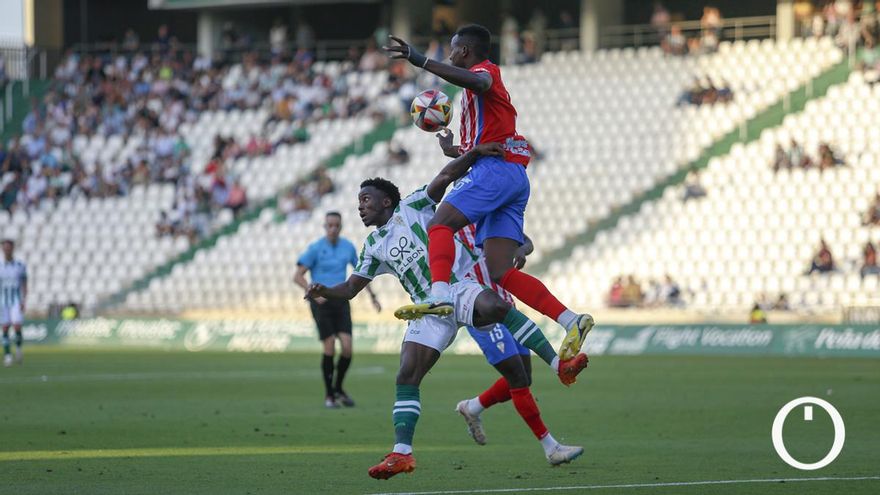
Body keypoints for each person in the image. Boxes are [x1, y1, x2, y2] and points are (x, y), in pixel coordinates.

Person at [305, 144, 588, 479]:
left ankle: (559, 365)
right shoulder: (372, 247)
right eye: (358, 203)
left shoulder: (414, 205)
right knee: (407, 374)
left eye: (365, 200)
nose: (360, 208)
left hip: (456, 287)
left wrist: (475, 152)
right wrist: (326, 291)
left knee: (496, 307)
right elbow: (351, 289)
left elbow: (447, 175)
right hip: (427, 308)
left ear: (385, 201)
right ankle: (401, 453)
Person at [383, 26, 594, 361]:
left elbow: (480, 83)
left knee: (439, 223)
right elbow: (485, 145)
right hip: (509, 175)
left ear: (465, 51)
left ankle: (439, 295)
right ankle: (571, 319)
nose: (449, 55)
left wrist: (420, 60)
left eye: (452, 50)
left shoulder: (485, 73)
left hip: (495, 174)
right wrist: (456, 151)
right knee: (500, 272)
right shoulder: (478, 99)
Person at [453, 223, 588, 458]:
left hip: (506, 306)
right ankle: (551, 447)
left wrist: (521, 249)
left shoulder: (488, 217)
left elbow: (527, 241)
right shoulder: (451, 224)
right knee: (517, 378)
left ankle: (472, 407)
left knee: (523, 376)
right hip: (480, 311)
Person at [294, 212, 382, 408]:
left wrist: (373, 297)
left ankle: (338, 388)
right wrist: (312, 291)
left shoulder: (347, 247)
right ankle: (329, 395)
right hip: (321, 302)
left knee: (348, 348)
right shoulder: (316, 248)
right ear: (324, 227)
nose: (333, 228)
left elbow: (361, 273)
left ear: (340, 227)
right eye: (330, 225)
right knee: (330, 346)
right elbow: (298, 276)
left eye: (336, 225)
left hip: (340, 299)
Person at [0, 239, 27, 366]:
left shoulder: (19, 265)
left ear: (13, 249)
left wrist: (23, 300)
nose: (7, 250)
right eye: (5, 248)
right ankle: (7, 355)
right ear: (2, 249)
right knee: (5, 327)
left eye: (9, 247)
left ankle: (18, 349)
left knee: (17, 326)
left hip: (16, 300)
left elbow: (24, 283)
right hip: (2, 301)